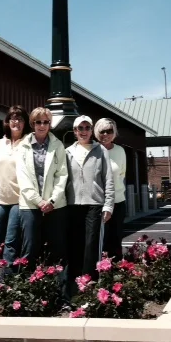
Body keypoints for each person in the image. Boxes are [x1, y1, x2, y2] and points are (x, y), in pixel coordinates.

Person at [16, 107, 68, 269]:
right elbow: (23, 178)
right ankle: (27, 289)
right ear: (32, 124)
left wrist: (51, 200)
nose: (42, 125)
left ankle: (60, 291)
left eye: (46, 122)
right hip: (30, 205)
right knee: (30, 249)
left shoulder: (57, 145)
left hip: (55, 205)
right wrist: (39, 202)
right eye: (38, 122)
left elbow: (62, 175)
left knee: (58, 250)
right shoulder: (22, 147)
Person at [66, 115, 115, 284]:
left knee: (91, 244)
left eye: (87, 128)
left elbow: (108, 178)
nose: (84, 131)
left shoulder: (101, 150)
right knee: (75, 243)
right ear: (75, 131)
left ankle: (89, 281)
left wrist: (108, 205)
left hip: (94, 204)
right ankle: (75, 280)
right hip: (73, 205)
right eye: (81, 128)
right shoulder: (68, 152)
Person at [0, 105, 29, 270]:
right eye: (13, 118)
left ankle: (6, 282)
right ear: (7, 122)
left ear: (25, 123)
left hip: (20, 201)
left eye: (20, 119)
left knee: (10, 242)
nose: (16, 122)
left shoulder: (29, 142)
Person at [94, 117, 127, 260]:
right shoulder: (94, 150)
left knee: (116, 239)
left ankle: (116, 271)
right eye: (102, 131)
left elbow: (122, 173)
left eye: (109, 131)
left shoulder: (120, 151)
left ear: (114, 133)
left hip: (118, 202)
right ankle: (100, 271)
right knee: (101, 241)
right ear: (97, 132)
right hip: (99, 203)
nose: (105, 134)